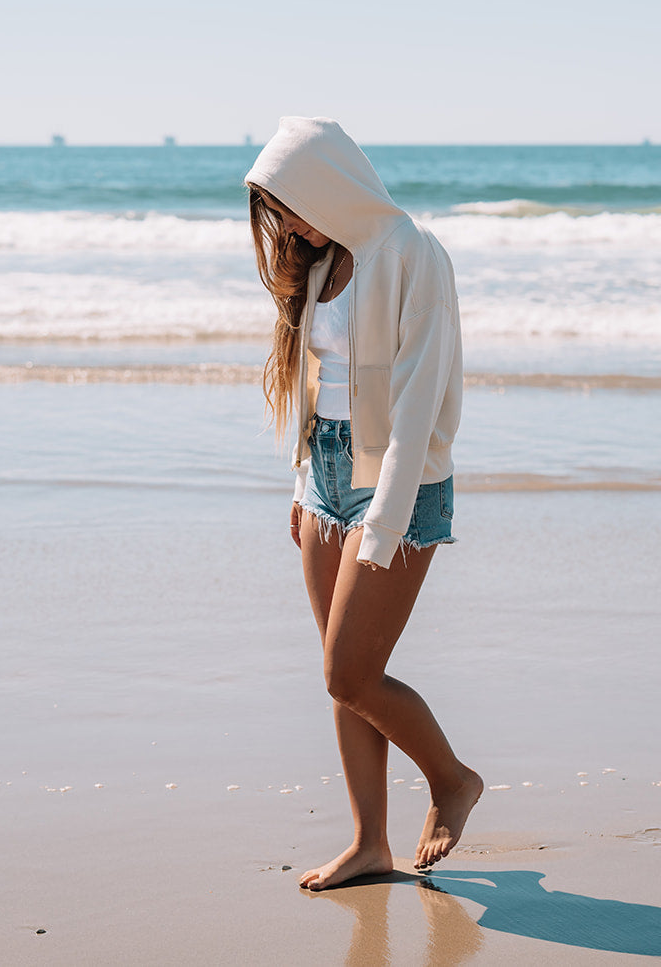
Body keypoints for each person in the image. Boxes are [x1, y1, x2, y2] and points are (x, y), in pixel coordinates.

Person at [246, 117, 482, 891]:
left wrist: (383, 520)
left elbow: (415, 405)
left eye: (293, 204)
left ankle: (452, 779)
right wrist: (299, 481)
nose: (289, 225)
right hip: (324, 475)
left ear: (330, 181)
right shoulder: (324, 262)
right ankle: (369, 843)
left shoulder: (415, 253)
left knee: (351, 673)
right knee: (339, 671)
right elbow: (320, 382)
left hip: (400, 483)